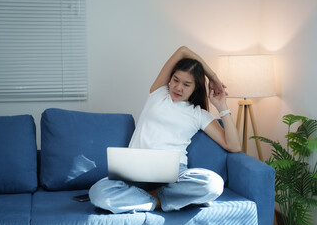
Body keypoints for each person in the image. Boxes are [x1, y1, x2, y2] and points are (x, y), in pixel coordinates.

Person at [89, 46, 241, 213]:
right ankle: (159, 200)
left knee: (213, 184)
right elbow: (183, 51)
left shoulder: (199, 114)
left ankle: (148, 199)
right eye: (175, 80)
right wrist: (213, 76)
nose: (178, 88)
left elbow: (233, 145)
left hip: (175, 174)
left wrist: (222, 106)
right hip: (135, 170)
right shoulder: (157, 93)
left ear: (195, 88)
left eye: (186, 84)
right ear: (170, 79)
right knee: (98, 192)